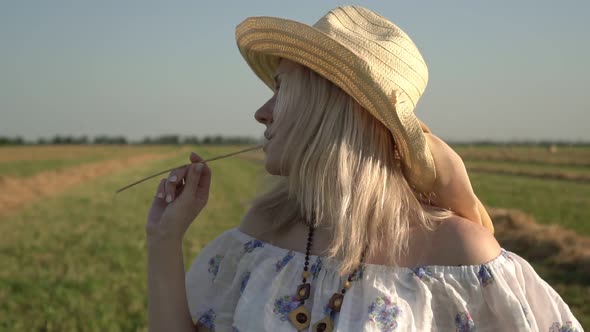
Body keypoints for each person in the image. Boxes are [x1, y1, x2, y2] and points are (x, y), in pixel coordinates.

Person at [145, 6, 583, 332]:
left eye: (281, 90)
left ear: (330, 109)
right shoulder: (262, 234)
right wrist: (163, 239)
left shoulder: (460, 256)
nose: (262, 112)